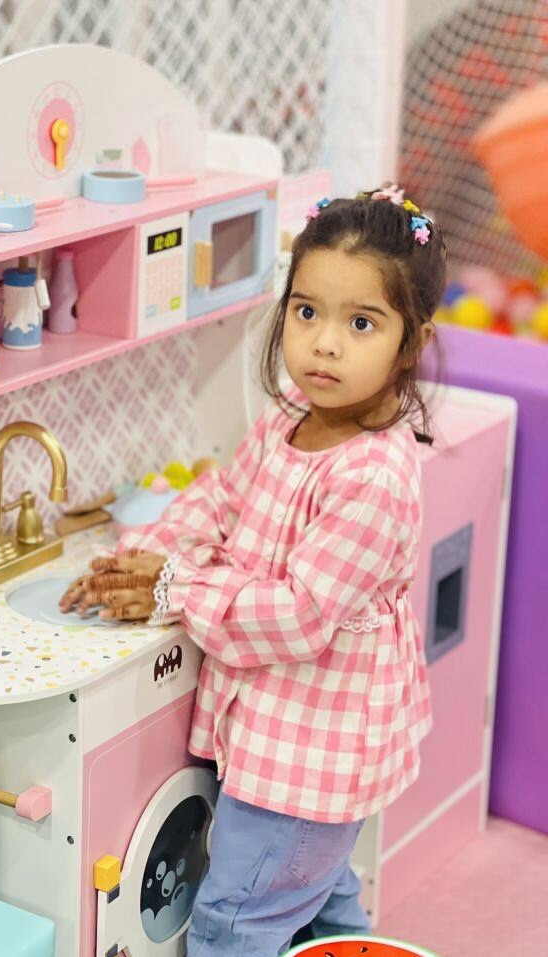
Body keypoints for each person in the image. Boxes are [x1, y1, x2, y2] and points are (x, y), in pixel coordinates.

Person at [60, 184, 447, 956]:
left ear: (411, 343)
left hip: (312, 753)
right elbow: (223, 499)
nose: (324, 344)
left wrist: (174, 588)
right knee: (317, 898)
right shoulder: (291, 416)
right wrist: (147, 555)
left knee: (234, 921)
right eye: (306, 312)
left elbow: (299, 613)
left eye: (360, 323)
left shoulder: (373, 476)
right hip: (280, 739)